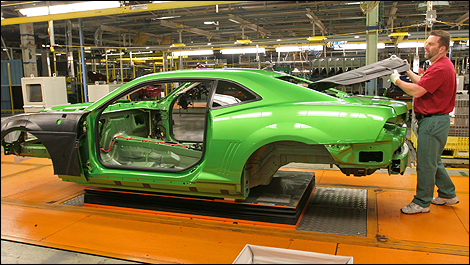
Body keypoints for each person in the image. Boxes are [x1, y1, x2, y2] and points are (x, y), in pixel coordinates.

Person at [389, 29, 458, 214]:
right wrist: (407, 72)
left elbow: (418, 91)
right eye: (427, 43)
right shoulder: (441, 65)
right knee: (433, 160)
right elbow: (423, 83)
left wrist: (397, 81)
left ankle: (421, 202)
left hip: (433, 121)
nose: (426, 46)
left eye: (431, 44)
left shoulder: (441, 67)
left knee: (426, 164)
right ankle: (447, 193)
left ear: (442, 48)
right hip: (435, 121)